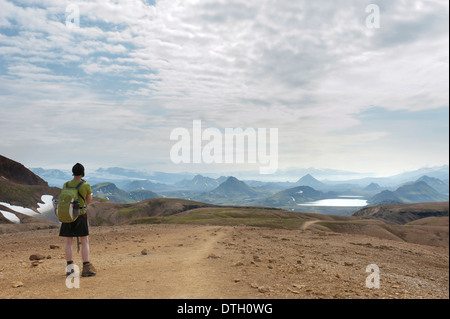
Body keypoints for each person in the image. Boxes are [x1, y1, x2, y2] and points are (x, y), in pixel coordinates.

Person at [59, 163, 96, 277]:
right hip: (80, 215)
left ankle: (69, 268)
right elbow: (88, 201)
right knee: (84, 241)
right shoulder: (86, 185)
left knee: (69, 241)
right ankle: (86, 267)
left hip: (68, 215)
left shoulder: (66, 185)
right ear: (82, 172)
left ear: (73, 172)